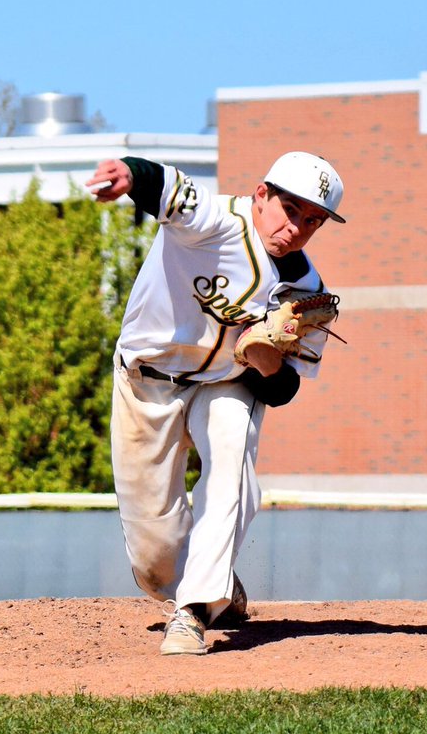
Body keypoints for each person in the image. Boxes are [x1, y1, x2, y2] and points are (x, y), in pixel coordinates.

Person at [86, 151, 346, 655]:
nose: (297, 228)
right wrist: (129, 174)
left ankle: (195, 610)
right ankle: (211, 580)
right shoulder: (214, 221)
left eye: (313, 220)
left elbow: (285, 390)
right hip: (146, 380)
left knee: (232, 462)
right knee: (155, 563)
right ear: (261, 195)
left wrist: (267, 362)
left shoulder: (307, 291)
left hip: (227, 382)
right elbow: (164, 186)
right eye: (291, 209)